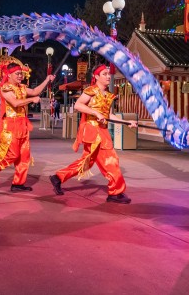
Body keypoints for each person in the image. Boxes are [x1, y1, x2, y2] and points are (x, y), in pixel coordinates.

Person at [49, 64, 137, 204]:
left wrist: (127, 123)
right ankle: (115, 192)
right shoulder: (91, 91)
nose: (108, 76)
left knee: (87, 163)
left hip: (102, 131)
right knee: (111, 160)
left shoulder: (108, 95)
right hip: (93, 131)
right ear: (96, 76)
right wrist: (95, 112)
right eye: (104, 74)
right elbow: (78, 105)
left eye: (109, 74)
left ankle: (58, 177)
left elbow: (109, 115)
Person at [0, 63, 54, 192]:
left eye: (20, 73)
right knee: (12, 154)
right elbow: (15, 103)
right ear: (9, 75)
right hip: (11, 126)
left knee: (24, 156)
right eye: (17, 73)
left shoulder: (22, 87)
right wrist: (31, 99)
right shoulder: (5, 88)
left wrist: (47, 79)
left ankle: (18, 183)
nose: (20, 76)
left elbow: (35, 91)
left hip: (23, 124)